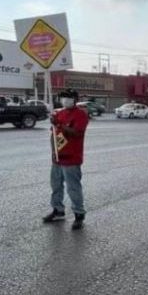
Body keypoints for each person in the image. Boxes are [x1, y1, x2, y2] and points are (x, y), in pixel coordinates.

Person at [43, 88, 90, 229]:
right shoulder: (59, 113)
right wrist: (53, 151)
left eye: (69, 98)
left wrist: (58, 124)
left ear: (75, 100)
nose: (65, 100)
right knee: (56, 186)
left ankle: (78, 214)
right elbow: (54, 135)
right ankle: (58, 210)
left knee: (73, 188)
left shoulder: (80, 115)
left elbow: (76, 133)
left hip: (72, 158)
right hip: (58, 158)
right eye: (63, 97)